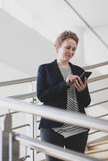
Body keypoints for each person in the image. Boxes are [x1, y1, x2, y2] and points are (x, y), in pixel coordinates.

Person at [36, 30, 91, 161]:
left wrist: (82, 90)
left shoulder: (79, 70)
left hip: (78, 127)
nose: (71, 52)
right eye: (68, 47)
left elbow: (86, 102)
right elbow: (42, 95)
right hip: (52, 126)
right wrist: (65, 84)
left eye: (74, 49)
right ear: (58, 46)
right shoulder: (44, 69)